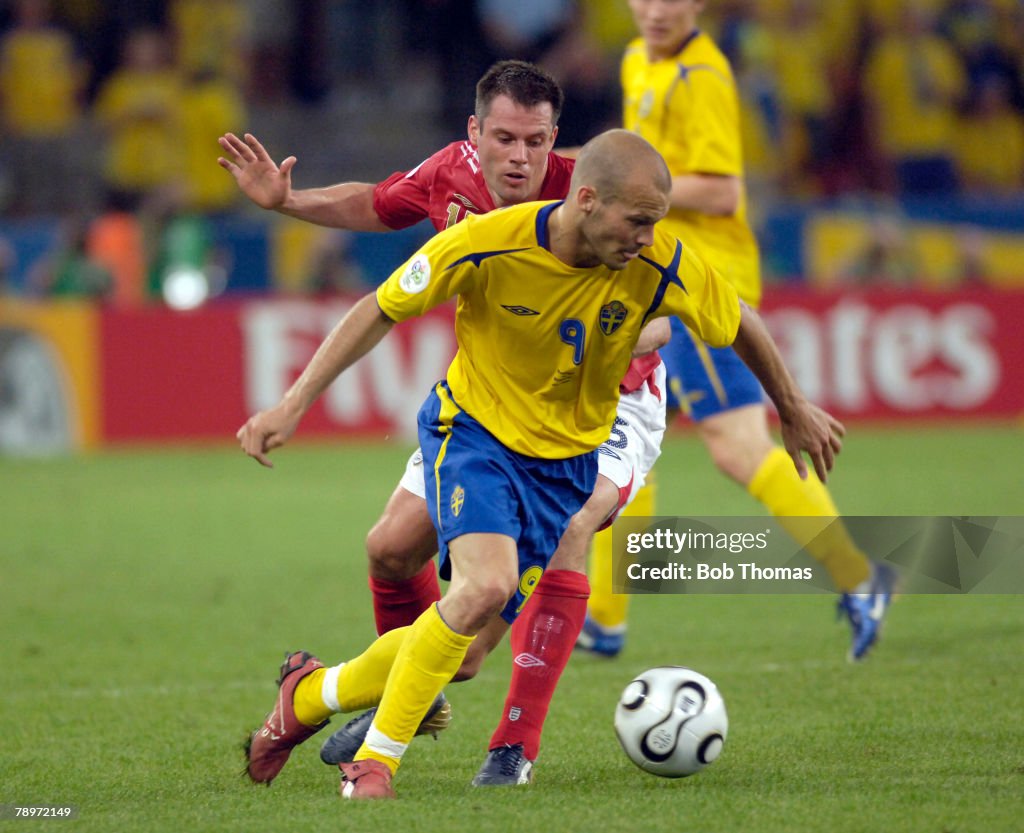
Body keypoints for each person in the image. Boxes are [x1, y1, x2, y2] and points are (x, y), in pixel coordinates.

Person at [236, 127, 846, 800]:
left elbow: (737, 319)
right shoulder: (488, 239)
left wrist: (792, 406)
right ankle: (380, 761)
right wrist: (290, 404)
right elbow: (379, 307)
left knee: (464, 649)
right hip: (473, 434)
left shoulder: (658, 259)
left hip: (567, 457)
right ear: (587, 200)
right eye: (637, 221)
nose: (647, 236)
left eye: (655, 223)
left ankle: (313, 692)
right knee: (474, 584)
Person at [219, 60, 668, 787]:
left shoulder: (598, 194)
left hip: (608, 402)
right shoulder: (449, 175)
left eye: (535, 140)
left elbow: (661, 318)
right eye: (504, 138)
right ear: (474, 133)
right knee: (392, 550)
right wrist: (288, 202)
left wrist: (595, 331)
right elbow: (375, 204)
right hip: (493, 401)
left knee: (568, 532)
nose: (519, 157)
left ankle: (512, 748)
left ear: (557, 140)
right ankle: (370, 692)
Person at [578, 0, 896, 663]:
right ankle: (604, 617)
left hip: (702, 286)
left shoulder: (704, 75)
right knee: (627, 431)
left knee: (737, 445)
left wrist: (628, 184)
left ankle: (858, 575)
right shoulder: (639, 60)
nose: (656, 10)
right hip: (654, 276)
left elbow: (723, 192)